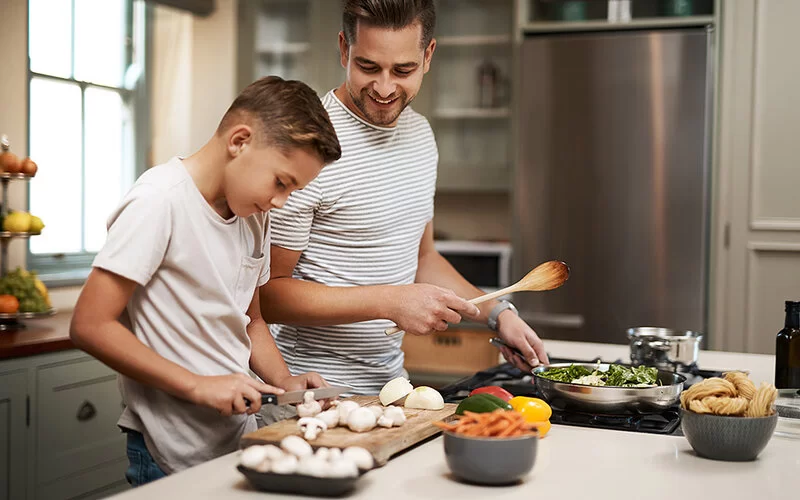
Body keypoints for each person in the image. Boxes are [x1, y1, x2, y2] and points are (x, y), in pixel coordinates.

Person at [260, 0, 549, 398]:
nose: (383, 88)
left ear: (428, 55)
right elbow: (268, 294)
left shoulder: (420, 137)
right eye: (367, 66)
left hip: (390, 388)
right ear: (344, 49)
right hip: (307, 392)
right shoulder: (307, 146)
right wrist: (389, 300)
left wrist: (497, 314)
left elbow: (423, 259)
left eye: (403, 70)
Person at [69, 76, 342, 485]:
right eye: (281, 182)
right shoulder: (159, 201)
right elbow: (89, 325)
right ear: (240, 141)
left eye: (294, 189)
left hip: (236, 444)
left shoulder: (255, 214)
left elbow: (252, 322)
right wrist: (198, 386)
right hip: (166, 452)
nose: (281, 201)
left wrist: (284, 382)